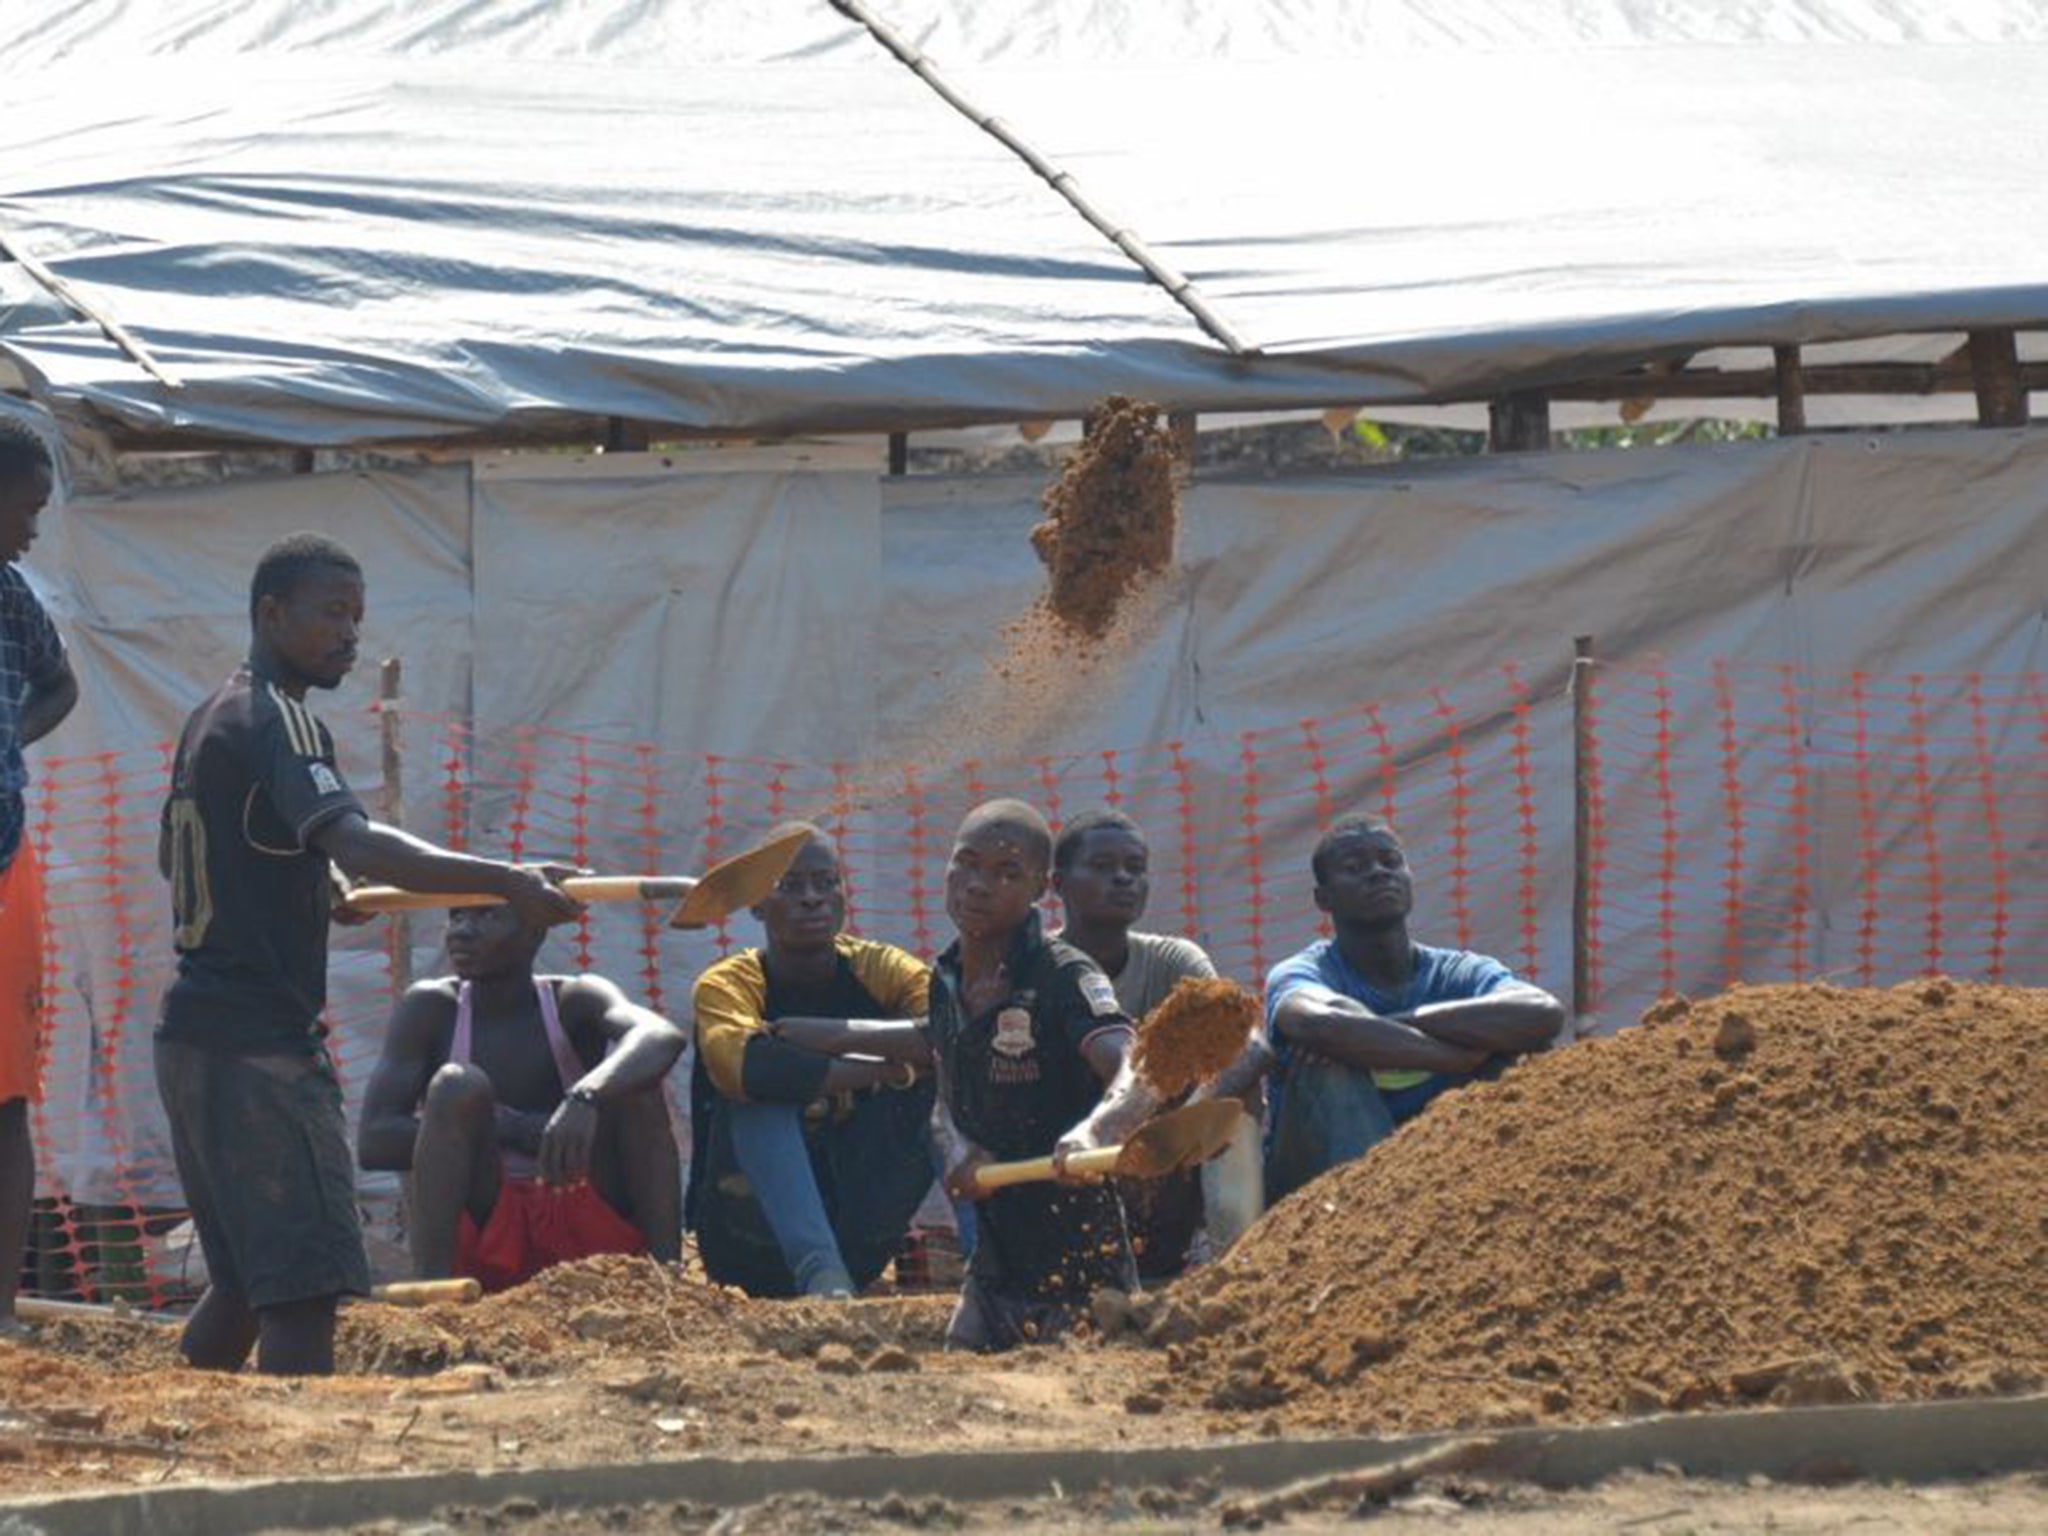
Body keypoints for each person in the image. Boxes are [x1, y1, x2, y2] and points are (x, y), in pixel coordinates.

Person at [156, 532, 581, 1375]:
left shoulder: (212, 716)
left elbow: (185, 860)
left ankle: (189, 1455)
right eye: (331, 614)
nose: (350, 633)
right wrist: (507, 880)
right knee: (305, 1298)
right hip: (260, 1052)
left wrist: (308, 892)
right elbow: (360, 843)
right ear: (271, 614)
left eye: (358, 616)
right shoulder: (283, 722)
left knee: (242, 1285)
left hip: (193, 1040)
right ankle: (295, 1494)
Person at [356, 901, 685, 1291]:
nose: (462, 930)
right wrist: (508, 1130)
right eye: (457, 916)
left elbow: (662, 1036)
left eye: (488, 916)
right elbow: (375, 1141)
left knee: (636, 1087)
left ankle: (669, 1283)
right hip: (488, 1220)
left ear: (535, 932)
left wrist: (584, 1097)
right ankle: (433, 1295)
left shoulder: (575, 998)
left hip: (580, 1209)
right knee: (456, 1085)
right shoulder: (431, 1007)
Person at [1263, 813, 1565, 1204]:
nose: (1377, 873)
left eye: (1390, 862)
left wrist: (1392, 1027)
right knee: (1328, 1063)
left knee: (1520, 1050)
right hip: (1320, 1190)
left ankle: (1515, 1209)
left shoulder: (1455, 970)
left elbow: (1543, 1013)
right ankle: (1369, 1229)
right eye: (1355, 868)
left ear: (1409, 878)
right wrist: (1453, 1057)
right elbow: (1318, 1022)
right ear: (1324, 898)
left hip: (1437, 1168)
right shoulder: (1305, 971)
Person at [687, 824, 936, 1298]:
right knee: (761, 1094)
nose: (813, 898)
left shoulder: (883, 968)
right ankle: (820, 1274)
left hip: (859, 1236)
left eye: (827, 882)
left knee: (949, 1090)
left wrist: (834, 1034)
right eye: (790, 886)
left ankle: (990, 1264)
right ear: (757, 906)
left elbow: (954, 1033)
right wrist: (888, 1069)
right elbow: (744, 1068)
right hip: (746, 1238)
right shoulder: (727, 983)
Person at [927, 799, 1136, 1351]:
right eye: (966, 864)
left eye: (1006, 873)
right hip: (994, 1265)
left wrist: (1096, 1132)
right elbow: (942, 1097)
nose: (977, 885)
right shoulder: (942, 978)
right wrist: (957, 1149)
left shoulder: (1065, 974)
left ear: (1040, 890)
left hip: (1082, 1261)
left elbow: (1132, 1063)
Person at [1047, 808, 1268, 1279]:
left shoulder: (1173, 958)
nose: (1123, 879)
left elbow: (1249, 1044)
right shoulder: (1031, 966)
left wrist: (1192, 1118)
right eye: (1103, 867)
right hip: (1063, 1155)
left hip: (1161, 1162)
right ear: (1057, 883)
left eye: (1135, 868)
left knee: (1236, 1090)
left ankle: (1230, 1266)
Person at [0, 420, 78, 1336]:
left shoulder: (11, 598)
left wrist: (8, 743)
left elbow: (61, 687)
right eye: (25, 509)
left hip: (4, 864)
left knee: (7, 1100)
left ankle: (5, 1317)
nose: (32, 531)